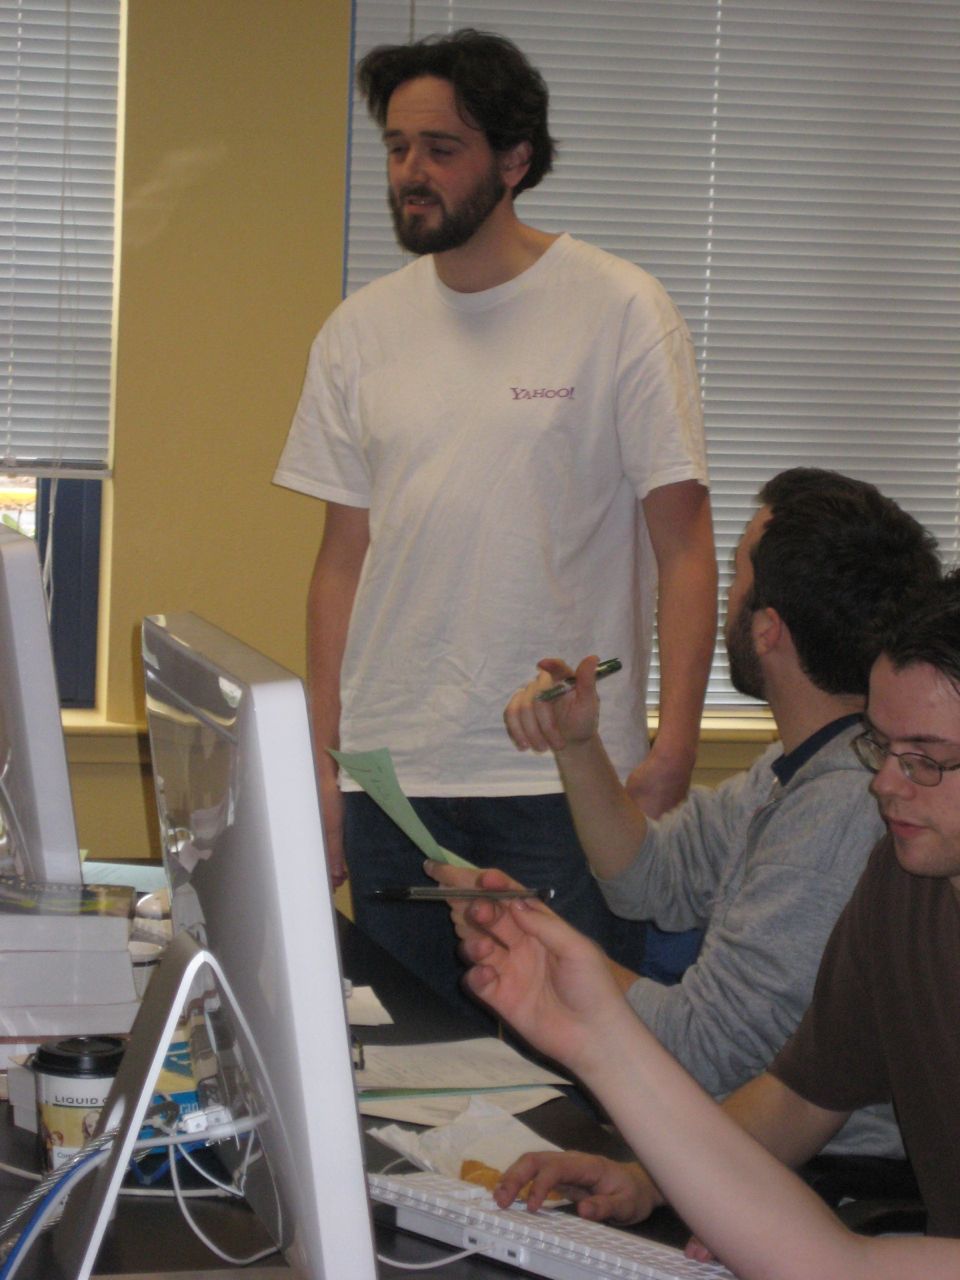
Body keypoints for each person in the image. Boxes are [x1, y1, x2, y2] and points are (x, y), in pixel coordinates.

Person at [273, 28, 716, 1009]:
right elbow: (342, 562)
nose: (410, 173)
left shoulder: (621, 310)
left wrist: (674, 744)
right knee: (405, 1066)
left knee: (571, 1066)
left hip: (558, 784)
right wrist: (323, 768)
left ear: (515, 160)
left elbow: (685, 542)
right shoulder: (357, 333)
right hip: (390, 780)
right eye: (397, 147)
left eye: (441, 149)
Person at [453, 573, 960, 1273]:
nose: (884, 783)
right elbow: (800, 1097)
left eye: (925, 759)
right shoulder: (901, 884)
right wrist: (648, 1180)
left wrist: (596, 1028)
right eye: (881, 746)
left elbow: (838, 1266)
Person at [436, 469, 937, 1151]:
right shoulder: (798, 767)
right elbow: (649, 880)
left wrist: (531, 942)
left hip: (821, 1174)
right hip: (735, 1145)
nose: (725, 599)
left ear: (767, 630)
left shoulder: (842, 808)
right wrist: (578, 746)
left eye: (736, 578)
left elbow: (701, 1051)